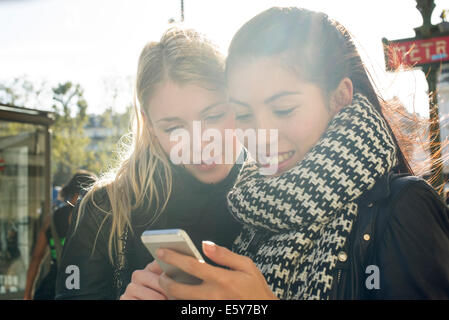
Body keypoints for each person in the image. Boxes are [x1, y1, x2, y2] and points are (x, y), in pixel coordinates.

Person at [137, 7, 449, 300]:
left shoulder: (403, 207)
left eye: (284, 109)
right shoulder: (253, 213)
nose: (262, 136)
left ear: (339, 96)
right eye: (243, 115)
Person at [55, 27, 243, 300]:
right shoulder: (105, 208)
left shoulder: (281, 195)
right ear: (150, 125)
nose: (200, 143)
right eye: (173, 128)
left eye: (213, 116)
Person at [24, 170, 97, 300]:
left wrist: (27, 293)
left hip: (51, 286)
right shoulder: (90, 217)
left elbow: (37, 257)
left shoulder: (51, 219)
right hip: (81, 284)